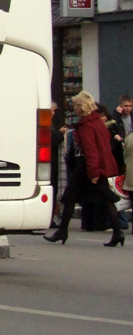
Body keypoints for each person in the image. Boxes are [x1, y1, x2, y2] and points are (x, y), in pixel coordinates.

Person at [44, 91, 125, 247]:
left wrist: (93, 171)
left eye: (75, 106)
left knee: (70, 197)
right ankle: (116, 233)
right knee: (103, 198)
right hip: (95, 164)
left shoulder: (86, 125)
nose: (74, 108)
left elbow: (90, 149)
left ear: (81, 107)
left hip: (86, 165)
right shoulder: (97, 122)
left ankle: (63, 231)